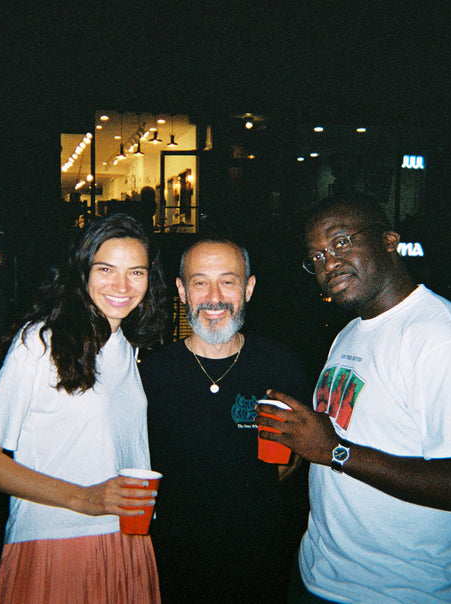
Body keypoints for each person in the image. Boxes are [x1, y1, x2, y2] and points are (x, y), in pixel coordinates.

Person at [258, 197, 451, 603]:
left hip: (400, 592)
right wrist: (301, 449)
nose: (328, 263)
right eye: (317, 256)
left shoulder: (440, 338)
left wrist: (336, 452)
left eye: (341, 242)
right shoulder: (352, 331)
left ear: (390, 241)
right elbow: (347, 437)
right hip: (319, 576)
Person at [0, 214, 169, 603]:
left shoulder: (128, 345)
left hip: (127, 540)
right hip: (58, 542)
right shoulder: (40, 342)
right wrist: (83, 498)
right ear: (82, 272)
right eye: (106, 269)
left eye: (136, 272)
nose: (122, 286)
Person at [140, 238, 310, 603]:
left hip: (260, 563)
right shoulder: (149, 375)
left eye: (228, 281)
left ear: (248, 288)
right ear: (182, 291)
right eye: (200, 282)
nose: (213, 297)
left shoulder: (281, 364)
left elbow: (300, 452)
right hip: (169, 564)